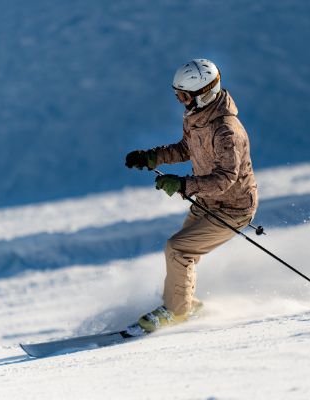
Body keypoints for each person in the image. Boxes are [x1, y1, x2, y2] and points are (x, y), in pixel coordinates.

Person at [125, 59, 258, 332]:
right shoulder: (197, 118)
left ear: (204, 93)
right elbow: (187, 148)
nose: (180, 101)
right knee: (181, 252)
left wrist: (184, 185)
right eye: (177, 95)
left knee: (179, 248)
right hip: (210, 201)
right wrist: (152, 157)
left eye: (184, 96)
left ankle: (176, 311)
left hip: (233, 208)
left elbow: (226, 179)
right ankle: (184, 304)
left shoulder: (226, 131)